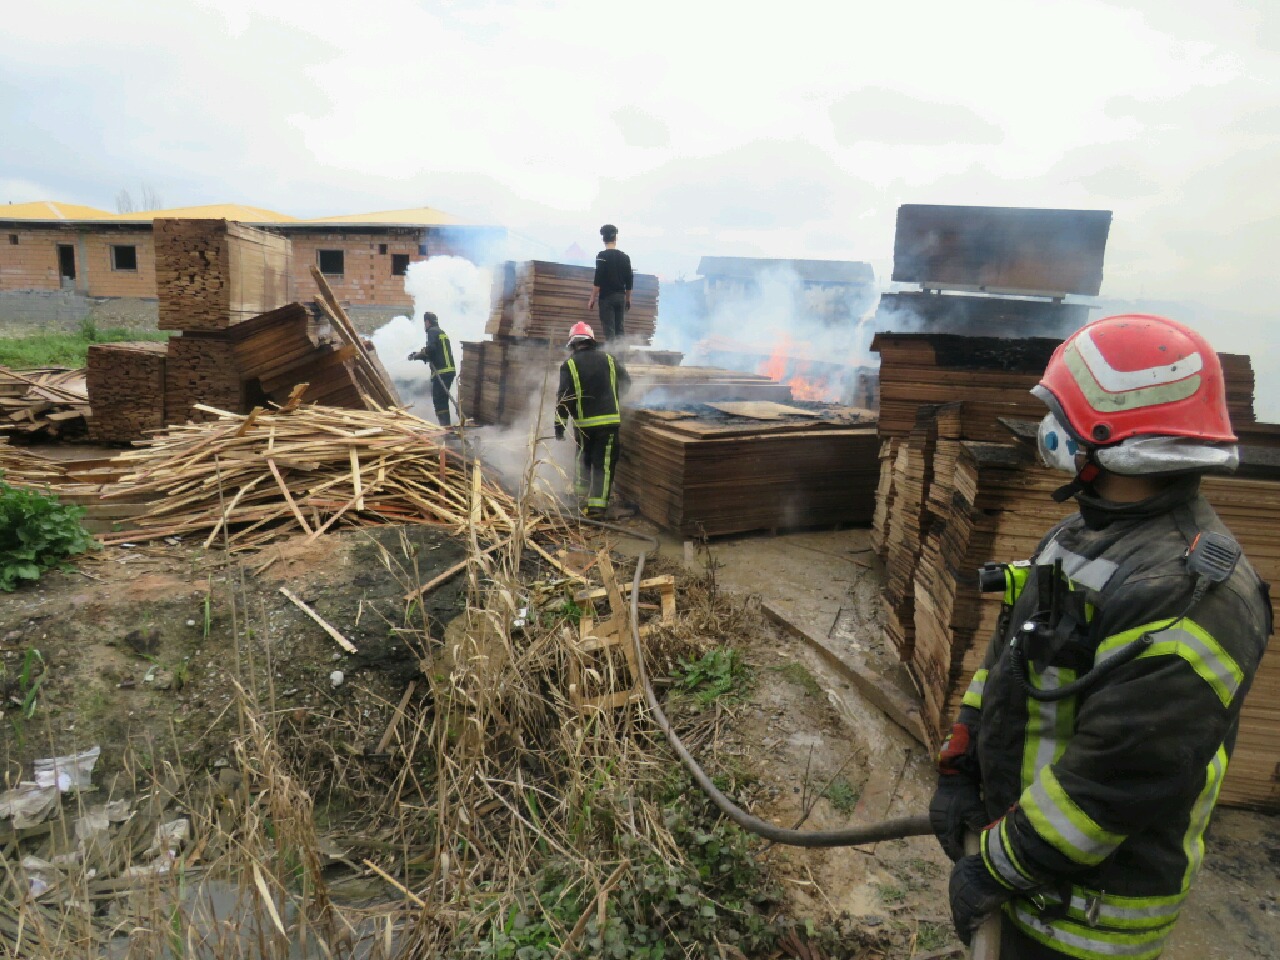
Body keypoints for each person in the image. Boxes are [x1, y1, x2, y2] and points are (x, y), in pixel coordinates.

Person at [930, 314, 1271, 959]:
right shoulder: (1079, 538)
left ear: (1106, 435)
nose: (1045, 429)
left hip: (1087, 921)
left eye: (1058, 413)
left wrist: (996, 866)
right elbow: (1008, 665)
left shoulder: (1189, 594)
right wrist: (960, 766)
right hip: (1027, 876)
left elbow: (1114, 778)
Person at [555, 321, 630, 517]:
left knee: (583, 458)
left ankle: (579, 497)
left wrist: (559, 426)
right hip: (609, 423)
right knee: (603, 463)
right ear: (592, 341)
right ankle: (597, 506)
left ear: (573, 344)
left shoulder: (569, 365)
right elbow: (626, 383)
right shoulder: (610, 359)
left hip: (583, 425)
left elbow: (563, 398)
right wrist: (613, 398)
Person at [407, 311, 456, 427]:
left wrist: (418, 355)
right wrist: (419, 355)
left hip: (441, 372)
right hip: (449, 372)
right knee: (443, 400)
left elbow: (431, 349)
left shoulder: (431, 331)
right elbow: (435, 352)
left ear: (427, 322)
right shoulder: (441, 332)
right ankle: (447, 428)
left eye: (425, 323)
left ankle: (445, 429)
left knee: (439, 401)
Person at [586, 224, 633, 343]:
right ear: (616, 238)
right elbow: (629, 281)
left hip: (606, 298)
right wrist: (627, 299)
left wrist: (592, 298)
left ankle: (612, 358)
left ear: (603, 239)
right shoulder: (625, 257)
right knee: (620, 330)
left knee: (609, 331)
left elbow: (598, 279)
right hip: (620, 298)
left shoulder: (602, 256)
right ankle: (620, 359)